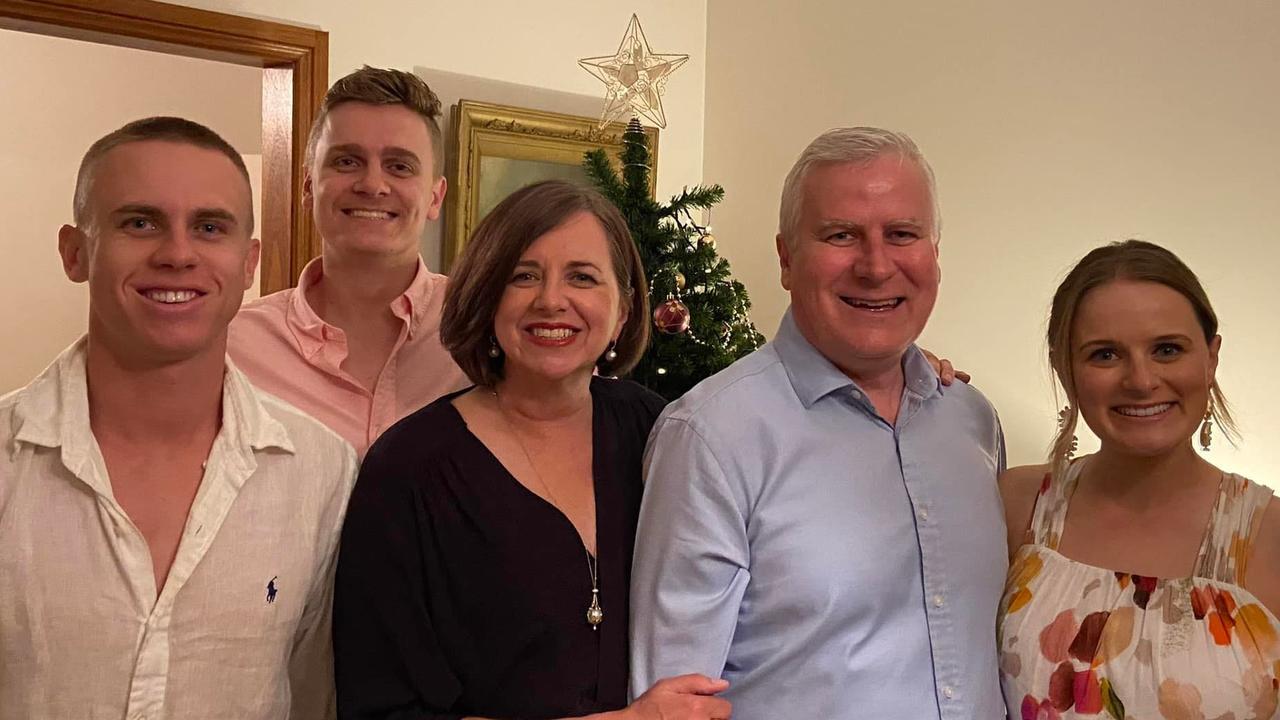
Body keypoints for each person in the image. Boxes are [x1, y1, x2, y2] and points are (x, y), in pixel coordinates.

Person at [630, 127, 1008, 719]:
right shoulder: (711, 437)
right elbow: (672, 701)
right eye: (841, 236)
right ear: (786, 258)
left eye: (902, 235)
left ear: (934, 253)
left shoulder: (971, 421)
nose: (876, 266)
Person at [0, 117, 357, 719]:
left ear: (249, 264)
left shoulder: (320, 472)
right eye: (139, 223)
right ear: (75, 251)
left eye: (209, 227)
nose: (177, 254)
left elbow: (313, 695)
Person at [333, 180, 731, 720]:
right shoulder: (407, 470)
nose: (551, 300)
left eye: (583, 277)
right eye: (523, 276)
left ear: (622, 310)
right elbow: (382, 708)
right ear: (487, 296)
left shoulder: (657, 431)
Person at [998, 240, 1280, 718]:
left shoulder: (1271, 534)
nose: (1141, 380)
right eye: (1105, 355)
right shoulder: (1014, 506)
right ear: (1063, 368)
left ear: (1211, 358)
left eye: (1167, 349)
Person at [230, 66, 468, 456]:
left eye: (400, 166)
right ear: (308, 187)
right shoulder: (235, 348)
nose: (372, 185)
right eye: (346, 161)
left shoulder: (484, 332)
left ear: (435, 198)